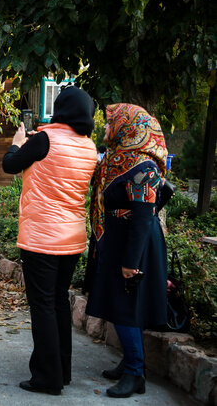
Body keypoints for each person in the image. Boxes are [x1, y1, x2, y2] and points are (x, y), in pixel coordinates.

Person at [2, 86, 97, 396]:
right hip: (72, 238)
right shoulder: (89, 147)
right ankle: (62, 371)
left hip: (42, 238)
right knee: (57, 302)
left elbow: (10, 165)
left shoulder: (44, 140)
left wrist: (16, 144)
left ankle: (46, 378)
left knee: (42, 305)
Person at [85, 104, 168, 398]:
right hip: (118, 240)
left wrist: (131, 262)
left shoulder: (143, 167)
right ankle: (131, 363)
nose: (106, 128)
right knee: (120, 306)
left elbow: (144, 216)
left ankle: (136, 374)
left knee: (126, 309)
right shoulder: (117, 160)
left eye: (110, 123)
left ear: (128, 126)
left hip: (135, 246)